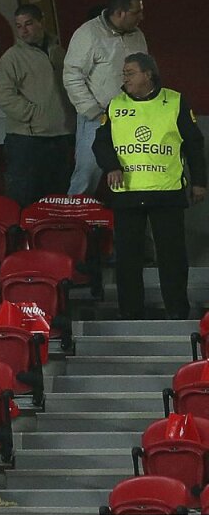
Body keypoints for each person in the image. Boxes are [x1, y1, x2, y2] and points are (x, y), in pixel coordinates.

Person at [92, 53, 205, 319]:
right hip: (127, 194)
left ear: (148, 74)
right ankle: (130, 313)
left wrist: (199, 182)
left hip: (166, 192)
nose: (125, 78)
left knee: (172, 257)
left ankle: (177, 311)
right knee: (128, 259)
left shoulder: (174, 101)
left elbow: (194, 144)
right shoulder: (115, 105)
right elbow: (101, 143)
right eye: (124, 73)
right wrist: (112, 166)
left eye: (130, 72)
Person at [63, 0, 147, 196]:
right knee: (87, 174)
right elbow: (72, 76)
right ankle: (74, 224)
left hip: (133, 117)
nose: (141, 17)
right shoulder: (88, 33)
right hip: (97, 117)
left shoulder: (138, 35)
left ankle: (128, 226)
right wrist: (93, 111)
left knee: (133, 172)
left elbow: (146, 71)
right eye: (137, 12)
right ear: (120, 13)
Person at [0, 3, 76, 206]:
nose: (23, 30)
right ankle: (23, 238)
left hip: (61, 136)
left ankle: (52, 238)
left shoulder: (59, 52)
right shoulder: (12, 57)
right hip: (26, 139)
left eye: (28, 24)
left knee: (57, 196)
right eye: (19, 26)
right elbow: (2, 95)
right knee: (24, 197)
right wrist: (32, 114)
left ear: (41, 22)